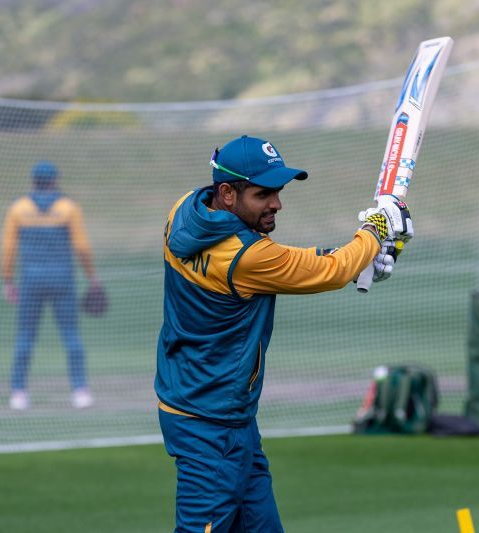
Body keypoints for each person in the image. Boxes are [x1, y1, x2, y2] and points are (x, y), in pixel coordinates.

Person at [155, 135, 412, 532]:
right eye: (263, 194)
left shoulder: (184, 211)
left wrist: (363, 254)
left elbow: (301, 264)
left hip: (219, 411)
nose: (276, 203)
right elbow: (327, 270)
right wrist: (375, 229)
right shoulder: (245, 256)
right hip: (210, 422)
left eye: (277, 191)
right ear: (226, 193)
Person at [0, 161, 99, 409]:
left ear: (33, 181)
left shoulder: (19, 208)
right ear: (54, 180)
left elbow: (8, 248)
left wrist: (8, 279)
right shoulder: (68, 207)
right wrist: (91, 277)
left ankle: (18, 393)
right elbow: (81, 246)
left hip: (30, 281)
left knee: (25, 337)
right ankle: (80, 391)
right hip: (63, 280)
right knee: (71, 336)